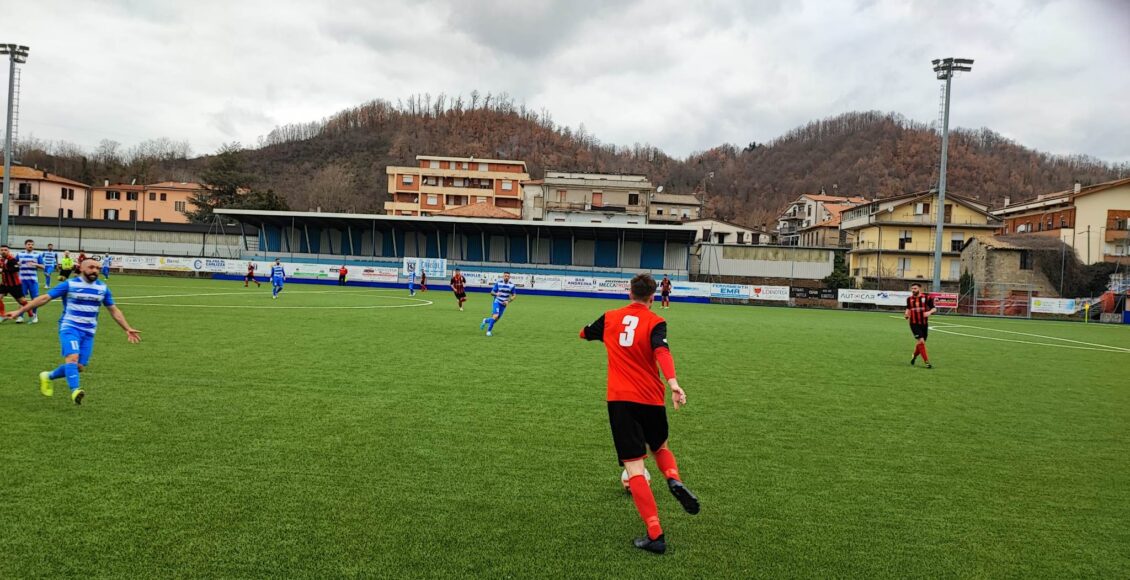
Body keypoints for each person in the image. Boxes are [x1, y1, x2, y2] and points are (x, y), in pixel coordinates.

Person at [579, 273, 699, 555]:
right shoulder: (656, 321)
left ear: (629, 292)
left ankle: (655, 535)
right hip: (652, 398)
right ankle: (672, 477)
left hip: (621, 400)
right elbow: (662, 352)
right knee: (660, 446)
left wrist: (593, 332)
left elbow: (584, 333)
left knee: (634, 467)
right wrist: (674, 385)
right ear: (653, 297)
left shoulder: (609, 317)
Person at [5, 258, 141, 405]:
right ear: (81, 268)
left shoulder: (103, 288)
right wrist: (20, 311)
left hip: (89, 332)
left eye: (97, 268)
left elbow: (113, 310)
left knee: (79, 367)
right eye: (91, 267)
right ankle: (75, 390)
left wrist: (127, 328)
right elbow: (45, 298)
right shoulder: (70, 284)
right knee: (72, 358)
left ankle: (48, 376)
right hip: (70, 327)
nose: (95, 270)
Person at [905, 282, 937, 368]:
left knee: (921, 343)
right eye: (912, 289)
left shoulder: (926, 298)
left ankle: (914, 356)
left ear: (919, 289)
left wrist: (929, 312)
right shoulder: (909, 299)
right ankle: (927, 362)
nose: (913, 290)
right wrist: (906, 314)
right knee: (921, 341)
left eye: (915, 288)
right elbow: (908, 308)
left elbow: (934, 309)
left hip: (924, 324)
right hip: (914, 323)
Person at [16, 239, 45, 324]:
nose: (30, 246)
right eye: (29, 244)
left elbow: (43, 267)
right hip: (22, 281)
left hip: (33, 280)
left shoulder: (37, 255)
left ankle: (34, 315)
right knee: (21, 299)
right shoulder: (19, 254)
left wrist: (35, 264)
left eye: (32, 244)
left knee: (35, 299)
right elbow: (14, 264)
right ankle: (20, 316)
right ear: (25, 245)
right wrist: (17, 263)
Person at [0, 245, 31, 323]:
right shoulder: (2, 260)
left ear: (8, 251)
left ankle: (31, 314)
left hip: (14, 285)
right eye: (2, 250)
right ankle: (2, 315)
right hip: (4, 284)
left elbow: (16, 268)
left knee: (22, 301)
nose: (3, 251)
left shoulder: (12, 259)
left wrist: (3, 270)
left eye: (5, 250)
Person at [479, 272, 516, 337]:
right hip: (497, 301)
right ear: (503, 277)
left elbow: (514, 295)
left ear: (509, 277)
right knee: (495, 316)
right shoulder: (498, 283)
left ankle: (485, 320)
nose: (506, 277)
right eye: (505, 276)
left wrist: (508, 301)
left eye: (508, 276)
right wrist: (496, 294)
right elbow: (491, 292)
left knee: (495, 320)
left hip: (504, 304)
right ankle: (488, 331)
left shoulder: (512, 285)